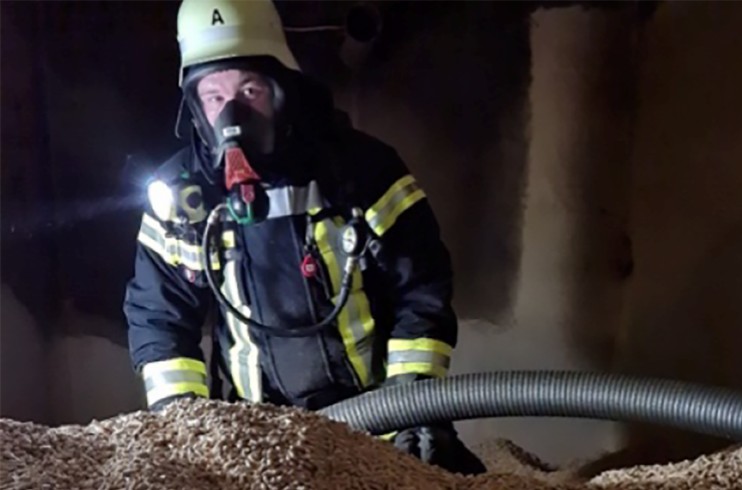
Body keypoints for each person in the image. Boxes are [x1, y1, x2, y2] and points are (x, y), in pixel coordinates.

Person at [122, 0, 485, 475]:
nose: (232, 115)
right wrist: (183, 428)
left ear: (283, 88)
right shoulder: (182, 200)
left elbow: (421, 288)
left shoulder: (363, 174)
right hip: (254, 442)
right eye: (214, 96)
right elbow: (159, 319)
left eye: (249, 90)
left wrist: (413, 402)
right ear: (193, 105)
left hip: (378, 430)